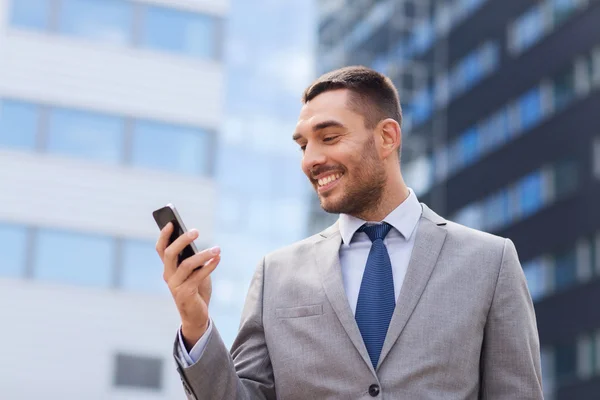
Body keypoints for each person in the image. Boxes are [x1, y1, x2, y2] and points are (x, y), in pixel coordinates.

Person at [156, 66, 543, 399]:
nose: (310, 160)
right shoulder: (276, 274)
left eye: (329, 137)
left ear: (387, 137)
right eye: (303, 145)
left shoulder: (490, 262)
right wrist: (195, 322)